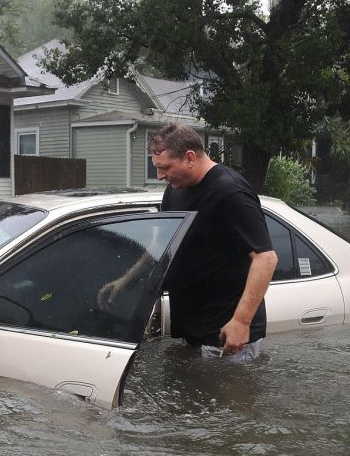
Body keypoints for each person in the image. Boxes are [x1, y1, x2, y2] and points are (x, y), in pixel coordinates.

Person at [99, 124, 277, 363]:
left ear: (190, 158)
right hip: (192, 329)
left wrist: (241, 322)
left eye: (165, 168)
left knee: (233, 398)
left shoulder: (230, 191)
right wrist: (126, 281)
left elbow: (265, 258)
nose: (160, 176)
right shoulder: (175, 191)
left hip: (227, 334)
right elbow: (162, 244)